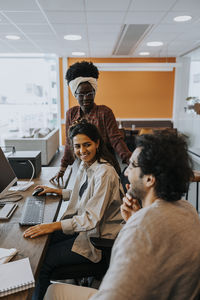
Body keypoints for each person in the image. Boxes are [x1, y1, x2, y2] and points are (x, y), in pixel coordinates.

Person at [44, 131, 200, 300]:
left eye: (132, 165)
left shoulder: (139, 230)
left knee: (53, 292)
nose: (125, 173)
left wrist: (136, 223)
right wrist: (136, 217)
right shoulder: (188, 210)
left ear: (149, 179)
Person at [23, 120, 123, 300]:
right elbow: (88, 195)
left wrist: (53, 225)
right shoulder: (88, 165)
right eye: (77, 146)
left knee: (41, 261)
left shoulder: (105, 172)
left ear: (97, 143)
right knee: (42, 241)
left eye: (87, 145)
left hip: (97, 238)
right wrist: (60, 192)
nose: (82, 151)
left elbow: (91, 218)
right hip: (86, 230)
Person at [50, 60, 131, 184]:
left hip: (105, 168)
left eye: (89, 93)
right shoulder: (71, 114)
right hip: (84, 166)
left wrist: (131, 162)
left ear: (95, 92)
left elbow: (116, 140)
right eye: (81, 94)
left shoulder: (104, 112)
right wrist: (62, 169)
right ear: (75, 94)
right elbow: (69, 143)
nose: (86, 98)